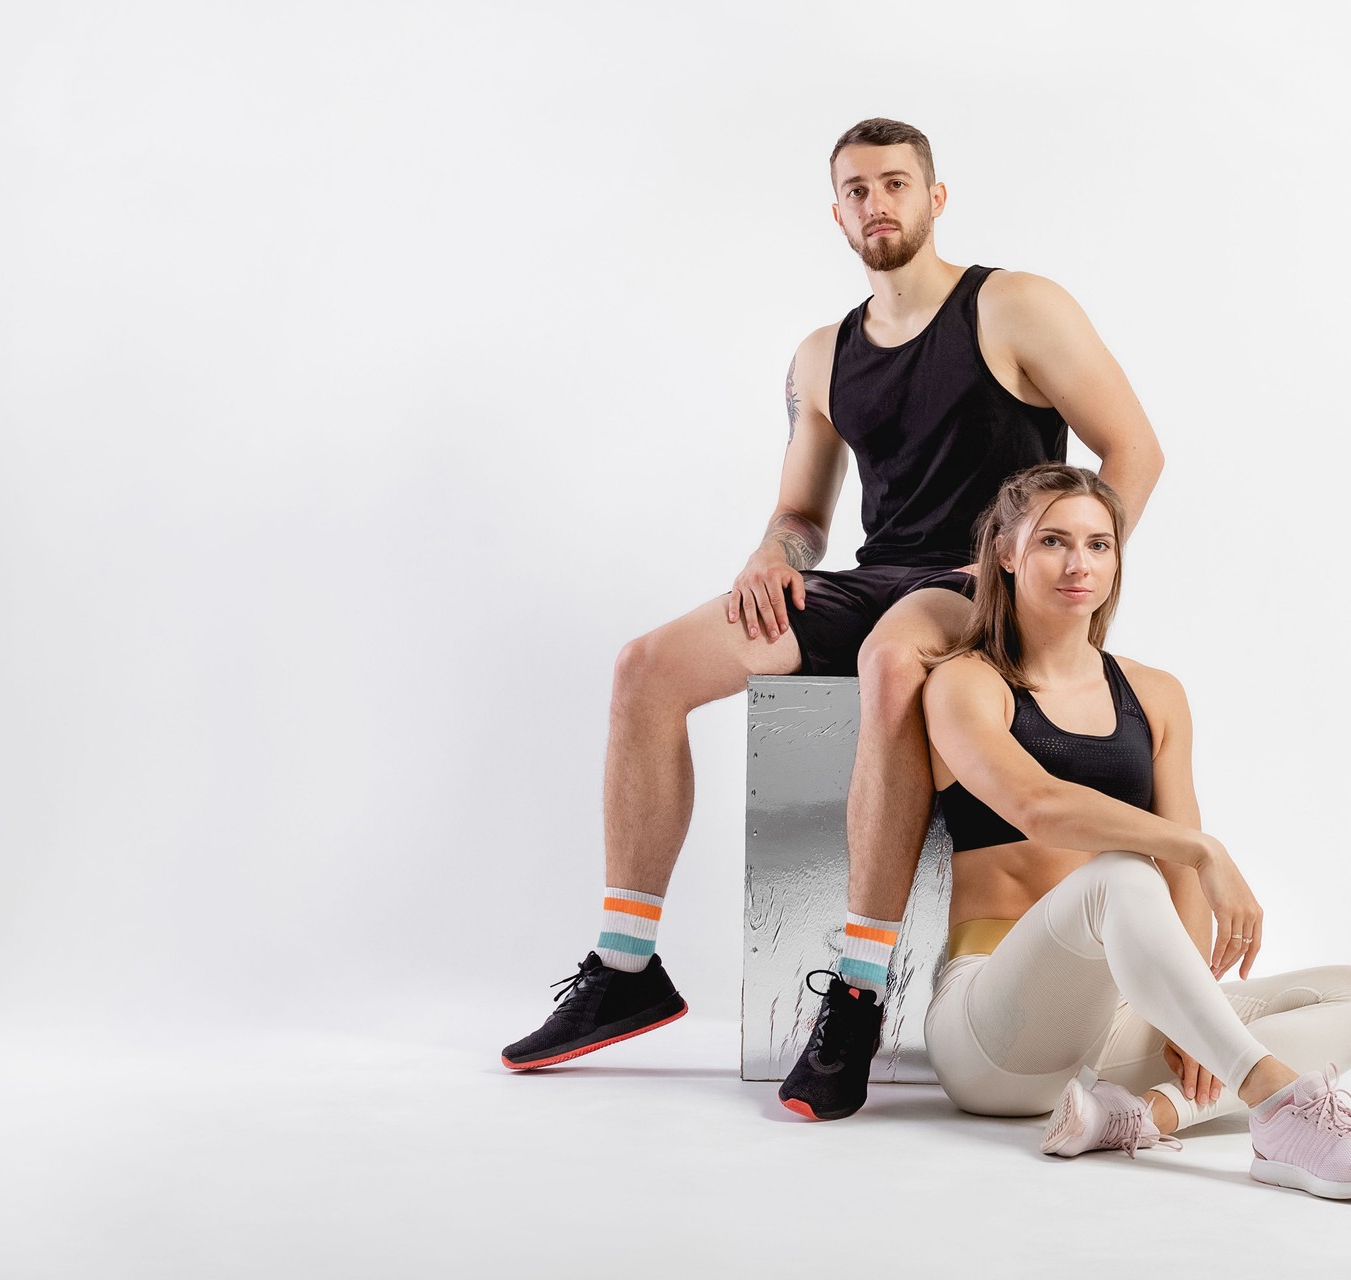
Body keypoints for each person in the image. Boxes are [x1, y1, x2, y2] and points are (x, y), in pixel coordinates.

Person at [499, 119, 1165, 1128]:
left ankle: (855, 993)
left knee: (894, 660)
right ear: (837, 212)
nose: (876, 205)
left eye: (896, 184)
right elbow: (804, 516)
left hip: (970, 581)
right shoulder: (823, 355)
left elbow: (1135, 448)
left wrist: (1050, 584)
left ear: (937, 198)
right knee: (647, 666)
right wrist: (775, 555)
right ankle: (625, 961)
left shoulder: (1015, 305)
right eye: (856, 190)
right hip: (871, 574)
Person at [920, 463, 1351, 1198]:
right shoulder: (967, 682)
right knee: (1123, 872)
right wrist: (1200, 846)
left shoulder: (1153, 694)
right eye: (1054, 541)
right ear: (1006, 551)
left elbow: (1182, 880)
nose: (1078, 564)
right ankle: (1283, 1110)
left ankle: (1138, 1114)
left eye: (1099, 544)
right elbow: (1036, 803)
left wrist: (1189, 1020)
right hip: (993, 1034)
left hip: (1111, 1024)